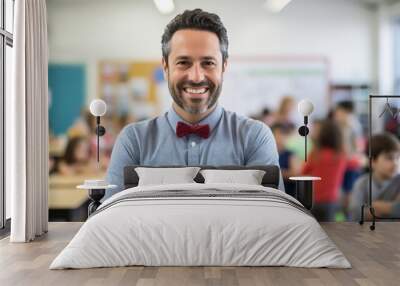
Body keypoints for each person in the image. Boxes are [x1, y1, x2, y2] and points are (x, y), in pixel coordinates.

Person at [104, 9, 284, 199]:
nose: (196, 77)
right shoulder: (134, 141)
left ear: (224, 67)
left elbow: (272, 219)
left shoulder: (255, 138)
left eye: (208, 63)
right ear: (165, 67)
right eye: (183, 62)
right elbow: (109, 220)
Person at [301, 119, 358, 221]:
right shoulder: (341, 155)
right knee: (329, 229)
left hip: (315, 199)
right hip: (332, 200)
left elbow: (304, 171)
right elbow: (355, 164)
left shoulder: (315, 154)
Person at [350, 133, 400, 221]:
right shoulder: (362, 184)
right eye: (389, 158)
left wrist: (377, 207)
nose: (395, 163)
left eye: (397, 158)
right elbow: (356, 215)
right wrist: (390, 208)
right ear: (372, 161)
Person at [271, 123, 301, 197]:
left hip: (288, 195)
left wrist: (275, 172)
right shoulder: (267, 154)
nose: (278, 137)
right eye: (275, 134)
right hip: (272, 195)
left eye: (281, 134)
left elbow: (296, 174)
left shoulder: (291, 154)